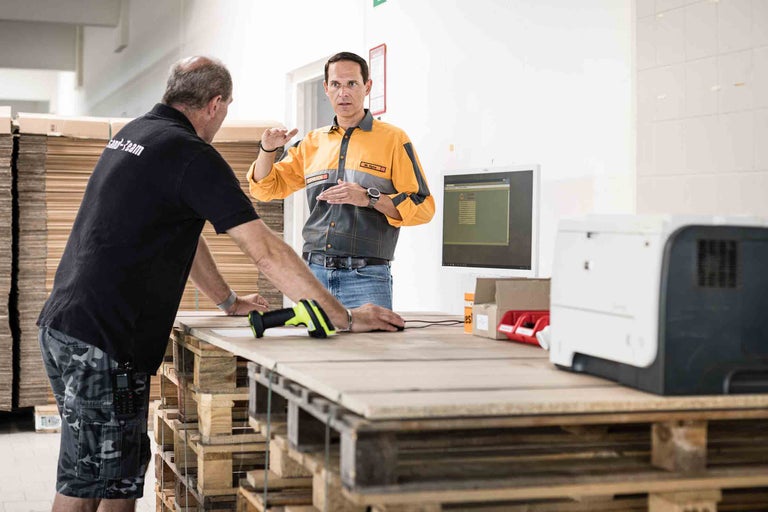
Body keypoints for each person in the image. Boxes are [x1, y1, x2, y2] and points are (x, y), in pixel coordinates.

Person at [36, 56, 403, 512]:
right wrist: (343, 317)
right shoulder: (190, 153)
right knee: (87, 480)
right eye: (225, 109)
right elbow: (266, 251)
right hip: (103, 340)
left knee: (117, 475)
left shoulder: (136, 133)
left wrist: (227, 300)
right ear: (214, 104)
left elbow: (180, 234)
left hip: (69, 326)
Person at [247, 51, 435, 310]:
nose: (343, 93)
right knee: (315, 351)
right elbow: (265, 189)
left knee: (371, 351)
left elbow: (423, 206)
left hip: (366, 277)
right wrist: (267, 150)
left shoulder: (393, 139)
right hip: (313, 276)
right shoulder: (312, 143)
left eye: (352, 84)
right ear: (326, 88)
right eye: (335, 84)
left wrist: (370, 198)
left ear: (367, 87)